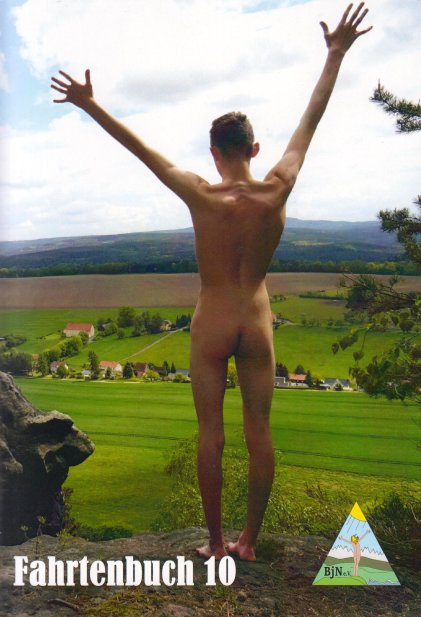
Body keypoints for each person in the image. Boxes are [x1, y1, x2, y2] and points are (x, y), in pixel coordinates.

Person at [51, 3, 372, 561]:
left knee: (211, 435)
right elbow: (310, 123)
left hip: (212, 321)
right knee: (259, 433)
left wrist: (90, 104)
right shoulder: (278, 186)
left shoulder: (200, 193)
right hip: (256, 320)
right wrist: (335, 54)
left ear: (213, 153)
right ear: (254, 149)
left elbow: (142, 151)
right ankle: (250, 542)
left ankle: (217, 542)